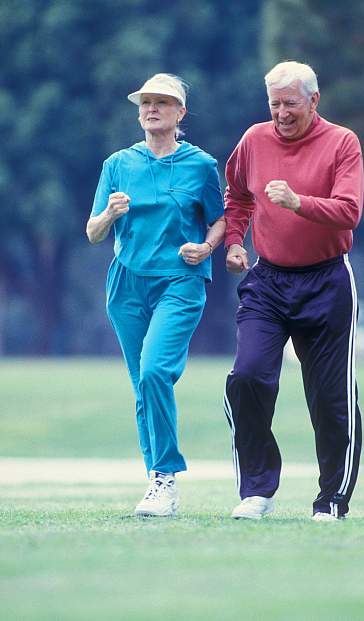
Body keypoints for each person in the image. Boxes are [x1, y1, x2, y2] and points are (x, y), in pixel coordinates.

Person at [223, 61, 364, 521]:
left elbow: (349, 211)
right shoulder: (254, 139)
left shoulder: (342, 142)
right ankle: (256, 490)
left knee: (329, 396)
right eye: (274, 104)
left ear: (314, 100)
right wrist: (233, 241)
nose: (281, 113)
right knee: (247, 377)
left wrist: (297, 202)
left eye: (291, 104)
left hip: (327, 281)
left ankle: (332, 499)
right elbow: (238, 197)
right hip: (268, 280)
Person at [86, 73, 225, 517]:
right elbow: (92, 232)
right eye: (146, 102)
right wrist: (109, 212)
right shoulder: (118, 163)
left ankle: (164, 476)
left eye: (163, 102)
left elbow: (220, 219)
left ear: (180, 113)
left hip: (180, 281)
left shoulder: (201, 164)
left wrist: (206, 247)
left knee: (153, 371)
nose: (152, 108)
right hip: (126, 284)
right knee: (142, 386)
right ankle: (157, 483)